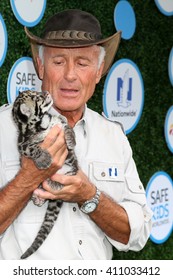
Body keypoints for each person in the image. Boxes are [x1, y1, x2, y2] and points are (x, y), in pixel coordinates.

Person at [0, 9, 152, 260]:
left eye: (82, 63)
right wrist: (28, 178)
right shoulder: (3, 128)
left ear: (99, 70)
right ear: (40, 66)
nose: (70, 75)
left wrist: (89, 196)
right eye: (58, 62)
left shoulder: (113, 136)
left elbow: (137, 234)